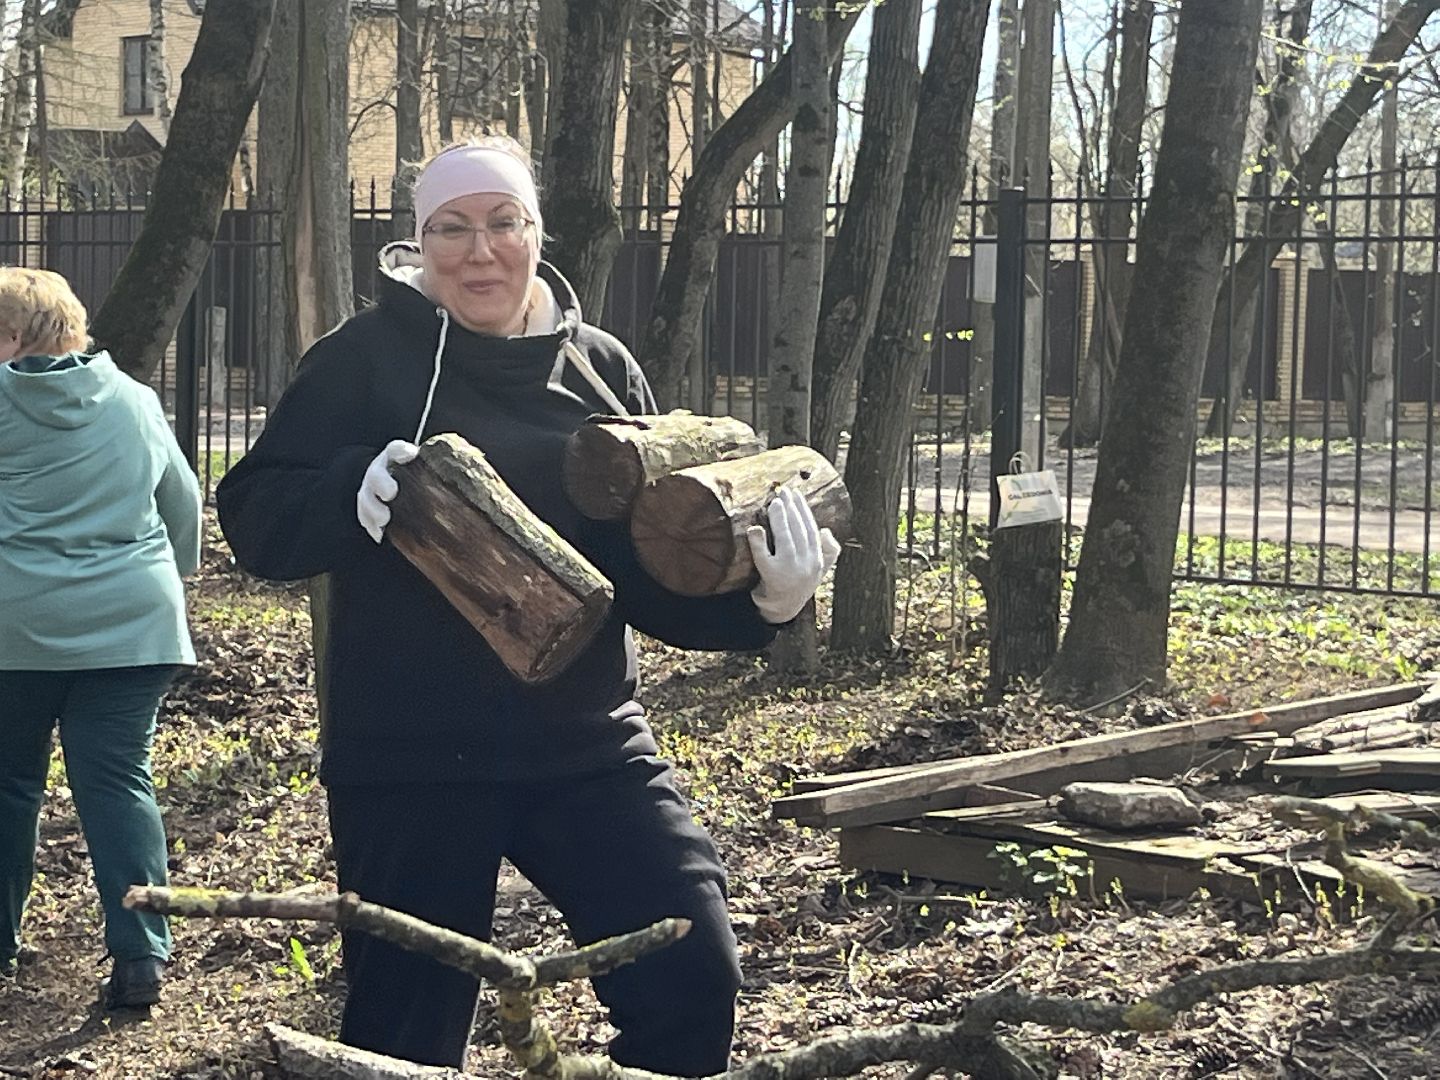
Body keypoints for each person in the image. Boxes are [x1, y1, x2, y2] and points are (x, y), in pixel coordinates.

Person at [215, 136, 838, 1075]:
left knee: (692, 971)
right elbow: (257, 520)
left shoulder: (601, 369)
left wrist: (767, 602)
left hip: (586, 747)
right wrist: (349, 490)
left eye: (503, 223)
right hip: (410, 758)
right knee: (404, 1036)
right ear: (418, 243)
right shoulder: (363, 361)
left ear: (535, 233)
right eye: (451, 228)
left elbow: (643, 570)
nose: (479, 250)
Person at [0, 267, 201, 1009]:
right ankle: (142, 956)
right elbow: (181, 503)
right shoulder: (136, 401)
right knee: (118, 781)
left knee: (9, 784)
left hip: (13, 626)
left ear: (17, 336)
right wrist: (168, 581)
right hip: (133, 626)